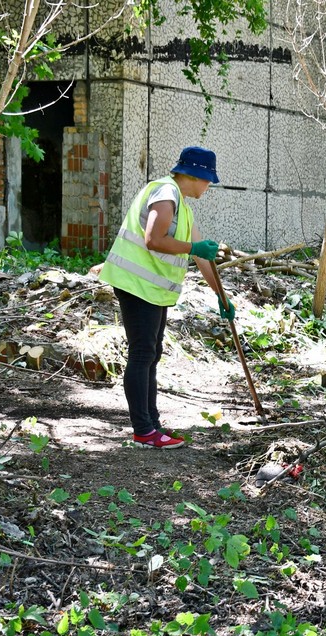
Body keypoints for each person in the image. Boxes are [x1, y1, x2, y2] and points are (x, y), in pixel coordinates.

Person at [99, 146, 235, 448]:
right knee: (142, 353)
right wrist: (192, 249)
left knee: (152, 353)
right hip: (136, 285)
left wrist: (221, 296)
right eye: (208, 180)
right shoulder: (165, 192)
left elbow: (202, 258)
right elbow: (153, 240)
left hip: (152, 290)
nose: (209, 186)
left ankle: (152, 424)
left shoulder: (182, 207)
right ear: (196, 175)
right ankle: (144, 431)